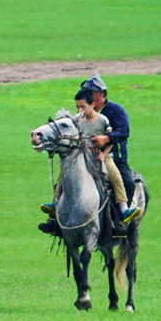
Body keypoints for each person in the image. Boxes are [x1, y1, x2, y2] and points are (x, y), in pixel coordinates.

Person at [40, 75, 138, 233]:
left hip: (111, 157)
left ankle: (118, 221)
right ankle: (56, 219)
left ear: (101, 94)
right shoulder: (82, 113)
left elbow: (124, 131)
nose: (87, 94)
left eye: (91, 91)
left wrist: (106, 138)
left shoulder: (114, 111)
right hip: (83, 157)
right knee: (66, 177)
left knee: (128, 182)